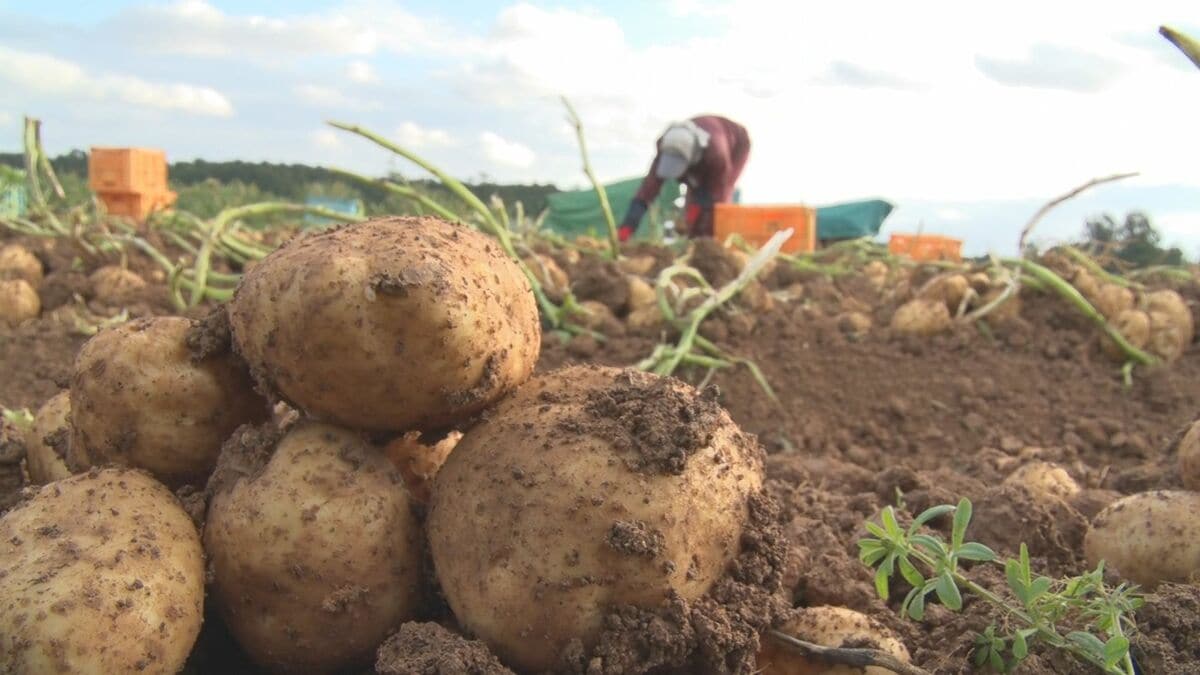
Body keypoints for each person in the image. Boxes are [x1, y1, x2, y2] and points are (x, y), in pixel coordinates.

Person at [618, 115, 750, 241]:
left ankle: (711, 242)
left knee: (717, 200)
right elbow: (647, 191)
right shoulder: (665, 148)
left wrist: (697, 217)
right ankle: (692, 237)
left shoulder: (717, 156)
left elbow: (715, 194)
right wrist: (627, 227)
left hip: (736, 144)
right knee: (693, 198)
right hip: (703, 149)